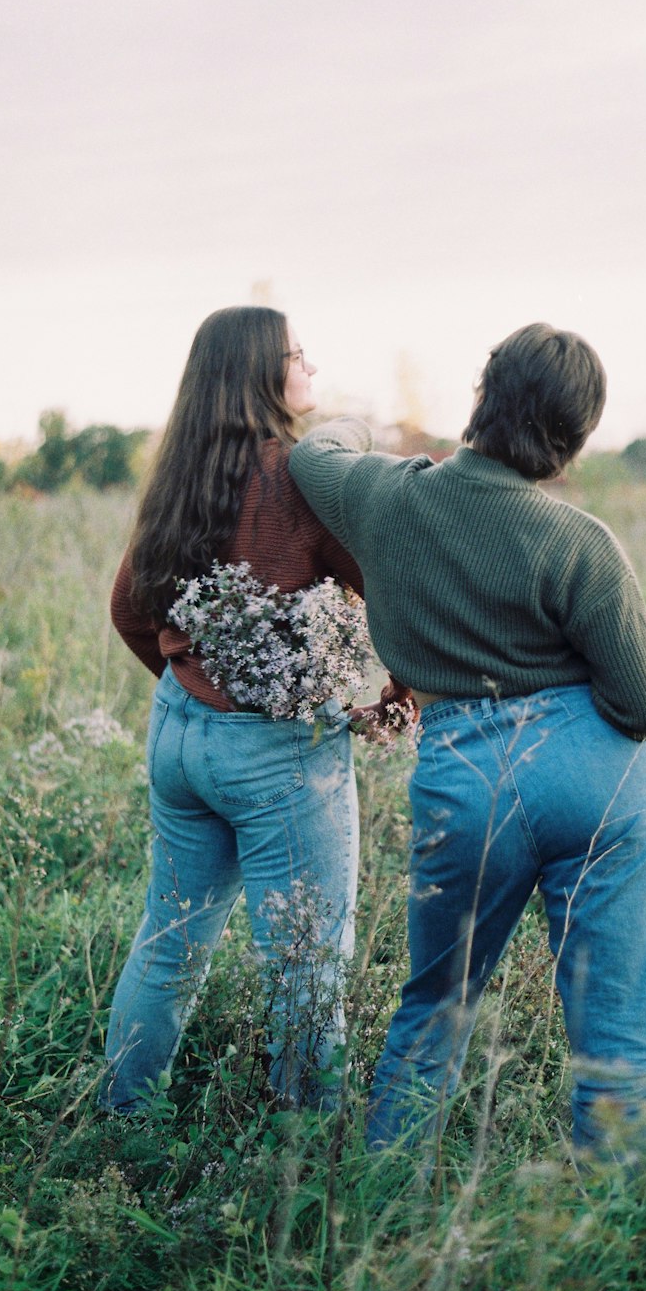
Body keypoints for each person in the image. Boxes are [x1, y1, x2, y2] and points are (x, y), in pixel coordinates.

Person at [289, 322, 646, 1160]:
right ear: (574, 437)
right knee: (617, 1044)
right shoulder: (581, 541)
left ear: (483, 393)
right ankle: (618, 1243)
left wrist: (361, 432)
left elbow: (310, 454)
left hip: (463, 773)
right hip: (598, 778)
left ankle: (385, 1207)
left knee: (434, 1010)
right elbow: (642, 700)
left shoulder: (386, 497)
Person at [103, 305, 383, 1114]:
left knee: (166, 948)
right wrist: (393, 688)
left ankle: (123, 1124)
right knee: (306, 962)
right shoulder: (303, 478)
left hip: (177, 734)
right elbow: (383, 587)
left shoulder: (180, 474)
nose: (313, 368)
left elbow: (129, 609)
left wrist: (195, 684)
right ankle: (303, 1157)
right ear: (265, 371)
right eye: (299, 353)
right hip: (277, 753)